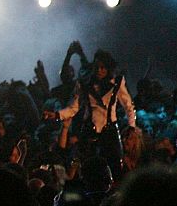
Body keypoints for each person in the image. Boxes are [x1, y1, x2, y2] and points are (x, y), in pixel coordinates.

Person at [47, 49, 136, 179]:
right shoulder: (84, 83)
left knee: (115, 165)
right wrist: (56, 115)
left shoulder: (117, 83)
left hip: (110, 130)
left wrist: (132, 126)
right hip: (89, 130)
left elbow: (128, 105)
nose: (99, 70)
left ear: (108, 68)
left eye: (103, 67)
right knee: (87, 165)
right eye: (97, 67)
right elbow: (73, 107)